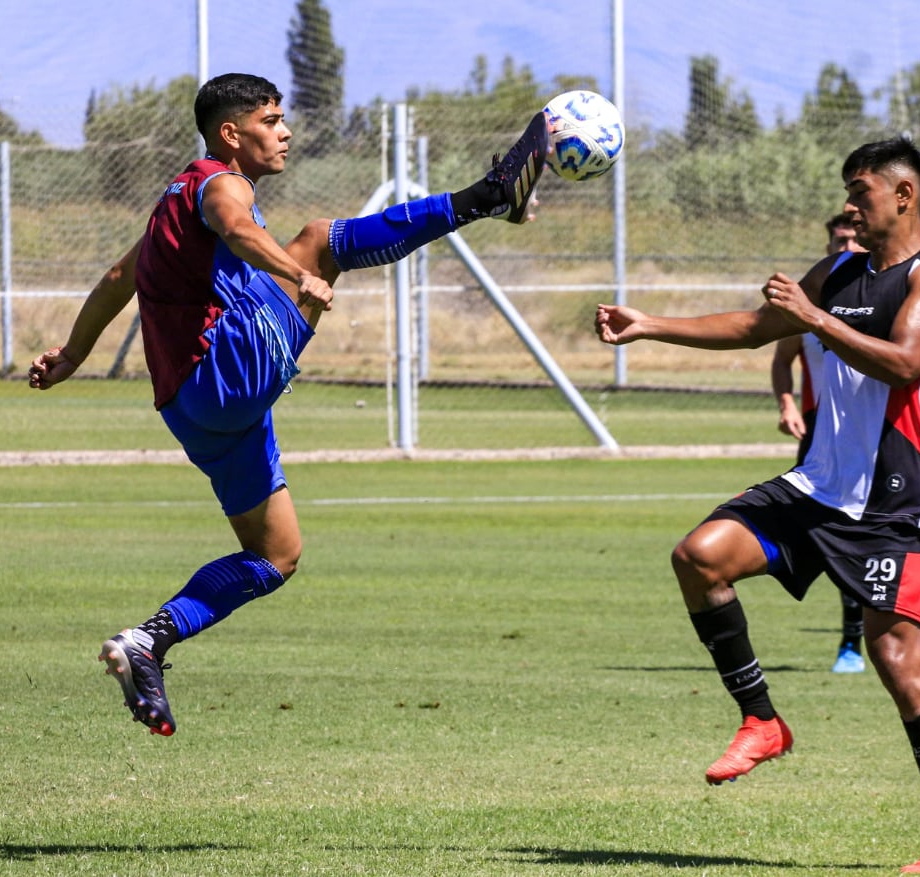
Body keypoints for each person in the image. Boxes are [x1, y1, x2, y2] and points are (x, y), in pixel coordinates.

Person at [28, 73, 549, 738]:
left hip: (195, 412)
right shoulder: (221, 182)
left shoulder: (171, 204)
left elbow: (115, 279)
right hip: (222, 376)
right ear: (231, 133)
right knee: (323, 241)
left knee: (276, 555)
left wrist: (74, 353)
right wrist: (301, 272)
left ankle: (146, 642)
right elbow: (239, 224)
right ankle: (487, 195)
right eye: (271, 120)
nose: (285, 131)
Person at [596, 137, 920, 873]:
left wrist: (816, 316)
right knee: (698, 555)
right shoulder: (837, 270)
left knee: (897, 661)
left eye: (861, 190)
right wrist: (650, 325)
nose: (849, 204)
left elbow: (904, 364)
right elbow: (753, 327)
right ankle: (762, 719)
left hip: (888, 506)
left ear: (904, 196)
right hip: (815, 487)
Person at [769, 213, 868, 674]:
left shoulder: (874, 300)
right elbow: (781, 357)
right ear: (828, 244)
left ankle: (853, 642)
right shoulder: (808, 303)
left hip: (867, 437)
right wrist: (787, 404)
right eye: (838, 239)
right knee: (827, 533)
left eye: (852, 238)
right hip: (816, 432)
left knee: (856, 538)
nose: (845, 244)